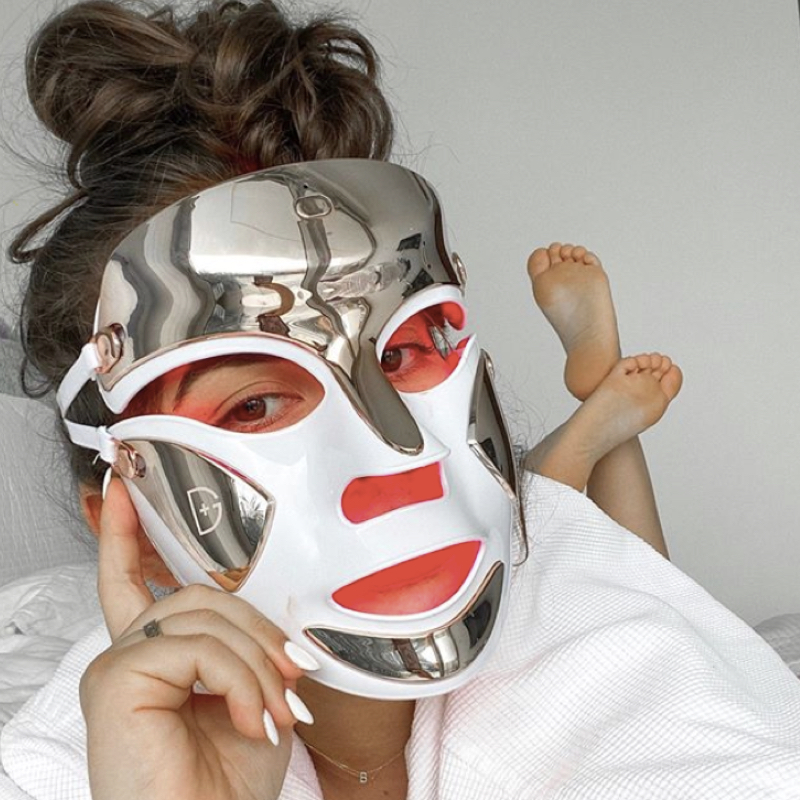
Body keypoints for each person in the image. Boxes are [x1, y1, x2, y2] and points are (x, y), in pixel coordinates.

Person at [2, 3, 799, 800]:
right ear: (130, 530)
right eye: (253, 407)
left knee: (577, 540)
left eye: (407, 351)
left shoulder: (602, 644)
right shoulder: (64, 764)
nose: (399, 452)